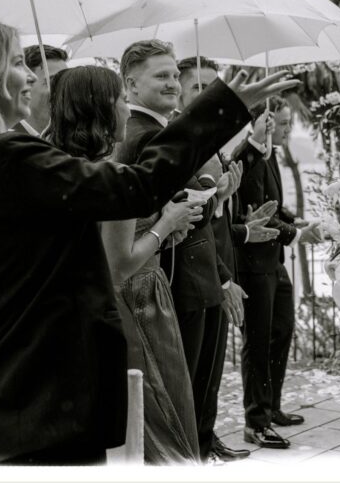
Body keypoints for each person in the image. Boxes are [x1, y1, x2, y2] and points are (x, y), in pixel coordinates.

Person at [0, 17, 297, 464]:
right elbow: (137, 188)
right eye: (16, 62)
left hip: (1, 407)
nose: (32, 76)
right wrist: (222, 108)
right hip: (29, 416)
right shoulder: (3, 158)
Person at [44, 66, 205, 464]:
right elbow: (119, 265)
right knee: (161, 421)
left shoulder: (54, 167)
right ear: (99, 109)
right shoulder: (111, 174)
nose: (125, 110)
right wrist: (166, 225)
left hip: (80, 312)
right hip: (137, 304)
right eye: (119, 100)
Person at [114, 42, 240, 464]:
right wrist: (208, 194)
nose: (172, 84)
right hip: (172, 282)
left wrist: (217, 196)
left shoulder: (161, 131)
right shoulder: (142, 136)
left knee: (196, 401)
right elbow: (166, 209)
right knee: (180, 407)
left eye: (173, 75)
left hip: (194, 278)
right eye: (161, 76)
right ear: (130, 84)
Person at [175, 56, 273, 463]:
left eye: (211, 86)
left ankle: (206, 438)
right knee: (194, 377)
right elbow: (193, 221)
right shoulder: (179, 139)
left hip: (218, 269)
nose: (206, 94)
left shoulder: (209, 140)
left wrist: (225, 195)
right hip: (195, 275)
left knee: (211, 375)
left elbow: (217, 212)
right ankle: (193, 451)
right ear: (181, 91)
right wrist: (224, 278)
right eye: (197, 87)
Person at [236, 98, 322, 449]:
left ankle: (272, 408)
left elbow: (273, 205)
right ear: (261, 122)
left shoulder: (270, 155)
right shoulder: (247, 156)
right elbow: (254, 210)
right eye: (281, 123)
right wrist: (297, 235)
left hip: (274, 262)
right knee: (257, 341)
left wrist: (294, 220)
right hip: (252, 265)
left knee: (282, 331)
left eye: (288, 124)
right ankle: (255, 421)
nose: (286, 130)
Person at [14, 44, 68, 135]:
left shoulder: (69, 139)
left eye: (67, 81)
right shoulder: (4, 142)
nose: (66, 90)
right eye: (54, 82)